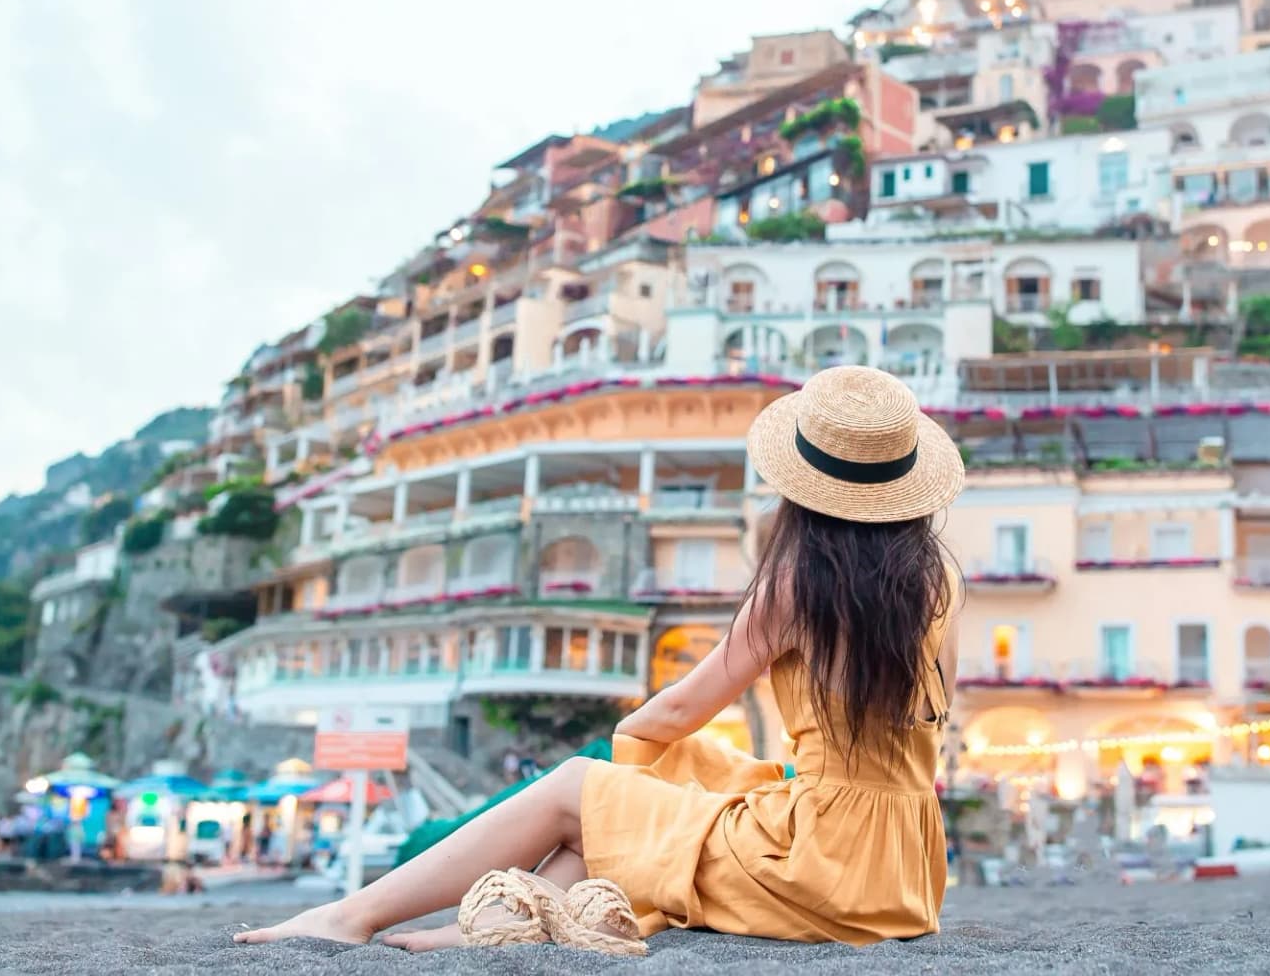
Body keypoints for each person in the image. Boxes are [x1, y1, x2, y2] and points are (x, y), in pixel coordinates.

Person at [237, 365, 965, 952]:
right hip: (900, 872)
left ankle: (351, 916)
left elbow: (680, 706)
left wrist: (619, 762)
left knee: (579, 786)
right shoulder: (942, 582)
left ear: (803, 489)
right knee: (699, 768)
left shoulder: (797, 584)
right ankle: (513, 921)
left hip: (818, 864)